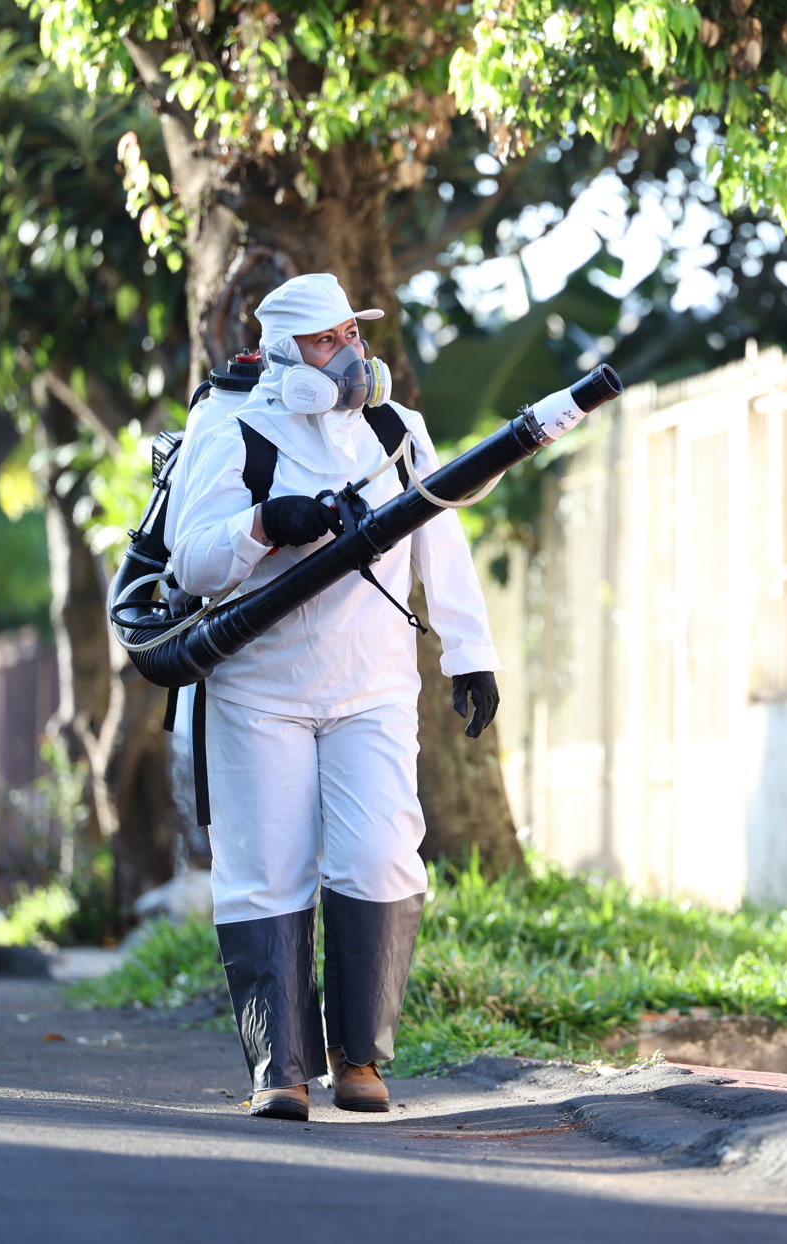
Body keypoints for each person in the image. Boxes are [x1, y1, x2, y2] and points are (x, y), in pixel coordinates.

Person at [164, 273, 501, 1119]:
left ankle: (361, 1060)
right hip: (258, 690)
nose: (348, 354)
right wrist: (264, 526)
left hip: (374, 687)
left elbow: (441, 538)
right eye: (326, 342)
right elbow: (190, 562)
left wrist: (470, 654)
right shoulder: (229, 427)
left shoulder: (396, 426)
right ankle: (278, 1069)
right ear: (284, 354)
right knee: (265, 869)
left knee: (381, 855)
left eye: (351, 333)